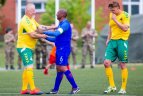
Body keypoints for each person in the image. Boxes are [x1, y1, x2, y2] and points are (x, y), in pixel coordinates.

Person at [16, 3, 55, 95]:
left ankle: (24, 89)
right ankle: (33, 89)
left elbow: (40, 27)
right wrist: (44, 36)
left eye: (35, 9)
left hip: (28, 47)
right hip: (23, 47)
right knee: (29, 66)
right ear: (28, 11)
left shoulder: (32, 20)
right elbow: (33, 35)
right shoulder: (25, 21)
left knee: (27, 68)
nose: (35, 11)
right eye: (33, 9)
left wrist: (53, 27)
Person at [43, 9, 80, 94]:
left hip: (63, 49)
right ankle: (55, 89)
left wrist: (44, 32)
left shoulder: (65, 24)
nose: (56, 14)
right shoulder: (61, 24)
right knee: (59, 69)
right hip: (59, 49)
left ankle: (75, 87)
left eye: (58, 13)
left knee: (62, 68)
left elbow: (55, 34)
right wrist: (44, 37)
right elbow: (55, 39)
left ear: (62, 15)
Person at [103, 1, 130, 94]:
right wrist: (108, 38)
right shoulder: (112, 15)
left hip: (122, 41)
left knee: (122, 64)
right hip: (112, 41)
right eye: (111, 10)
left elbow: (125, 28)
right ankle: (112, 86)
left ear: (118, 8)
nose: (112, 12)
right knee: (106, 63)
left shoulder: (125, 15)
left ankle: (123, 88)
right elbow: (110, 28)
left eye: (113, 10)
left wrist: (115, 20)